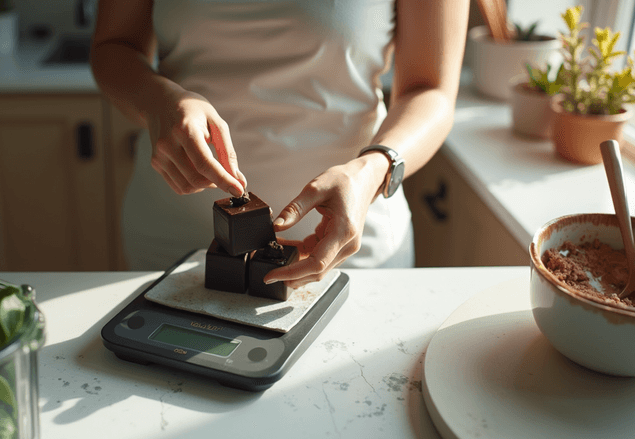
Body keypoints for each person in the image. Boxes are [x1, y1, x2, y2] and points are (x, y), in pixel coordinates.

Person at [91, 0, 469, 288]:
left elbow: (431, 89)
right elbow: (113, 47)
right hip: (171, 244)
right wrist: (158, 101)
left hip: (349, 247)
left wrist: (370, 171)